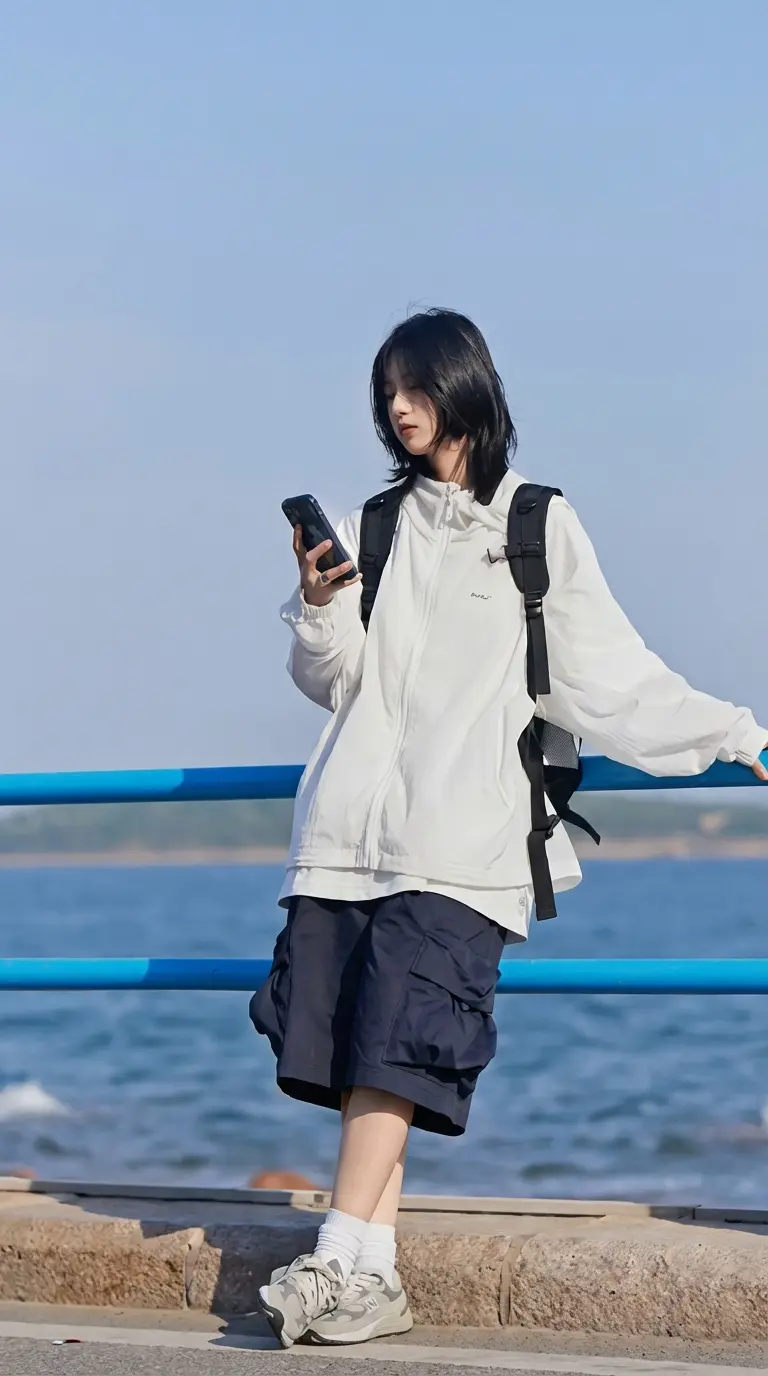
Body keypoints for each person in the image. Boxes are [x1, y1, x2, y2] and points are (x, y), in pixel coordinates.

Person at [250, 307, 768, 1348]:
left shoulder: (534, 524)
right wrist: (319, 606)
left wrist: (734, 732)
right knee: (368, 1055)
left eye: (416, 386)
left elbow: (609, 672)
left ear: (465, 386)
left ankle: (336, 1254)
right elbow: (334, 681)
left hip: (462, 840)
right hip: (349, 835)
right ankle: (373, 1277)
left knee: (397, 1045)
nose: (400, 408)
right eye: (387, 391)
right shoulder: (373, 525)